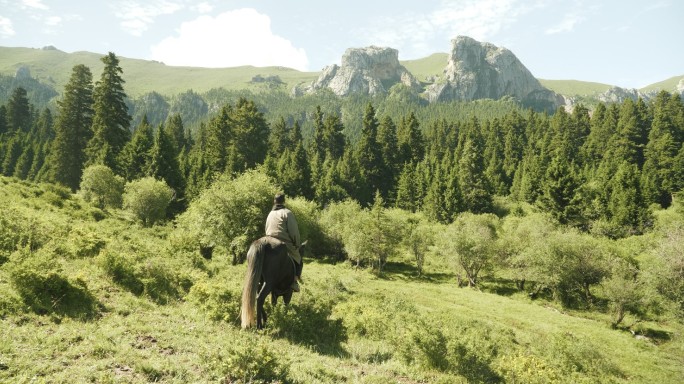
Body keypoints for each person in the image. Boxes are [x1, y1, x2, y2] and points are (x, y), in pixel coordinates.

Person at [265, 193, 303, 292]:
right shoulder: (287, 213)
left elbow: (266, 228)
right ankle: (294, 282)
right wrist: (297, 244)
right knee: (299, 259)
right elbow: (294, 232)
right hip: (284, 242)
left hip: (268, 240)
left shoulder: (270, 213)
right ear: (284, 201)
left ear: (274, 201)